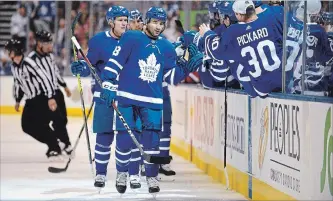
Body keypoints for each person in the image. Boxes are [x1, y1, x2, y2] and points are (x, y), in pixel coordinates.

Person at [100, 7, 202, 194]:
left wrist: (187, 67)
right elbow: (115, 62)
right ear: (147, 21)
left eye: (162, 23)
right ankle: (122, 172)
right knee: (124, 138)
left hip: (153, 102)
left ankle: (152, 176)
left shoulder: (166, 47)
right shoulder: (131, 37)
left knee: (152, 142)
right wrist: (108, 82)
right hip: (128, 98)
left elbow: (171, 77)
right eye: (155, 22)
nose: (158, 26)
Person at [70, 6, 134, 191]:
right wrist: (80, 67)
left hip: (126, 97)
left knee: (125, 138)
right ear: (111, 21)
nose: (124, 23)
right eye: (120, 19)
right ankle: (101, 173)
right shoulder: (99, 41)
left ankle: (123, 173)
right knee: (104, 136)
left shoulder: (133, 41)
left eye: (126, 19)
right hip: (104, 96)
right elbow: (89, 63)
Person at [199, 0, 284, 97]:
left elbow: (216, 52)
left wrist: (206, 33)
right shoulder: (268, 21)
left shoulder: (233, 32)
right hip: (284, 80)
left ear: (238, 15)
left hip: (260, 88)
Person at [5, 39, 62, 161]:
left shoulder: (29, 63)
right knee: (26, 127)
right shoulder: (14, 66)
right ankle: (53, 141)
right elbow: (18, 83)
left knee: (41, 125)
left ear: (15, 51)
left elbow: (44, 78)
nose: (7, 53)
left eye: (9, 50)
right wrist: (17, 99)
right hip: (30, 100)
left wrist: (50, 97)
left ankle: (55, 147)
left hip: (41, 98)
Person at [29, 30, 73, 156]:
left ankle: (58, 143)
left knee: (62, 120)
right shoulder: (32, 59)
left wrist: (64, 86)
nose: (50, 45)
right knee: (51, 122)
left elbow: (55, 73)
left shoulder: (50, 56)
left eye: (50, 42)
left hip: (57, 93)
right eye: (47, 42)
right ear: (38, 43)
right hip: (45, 96)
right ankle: (59, 145)